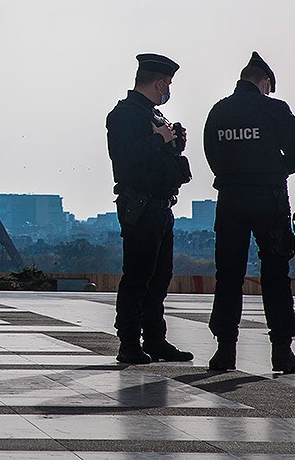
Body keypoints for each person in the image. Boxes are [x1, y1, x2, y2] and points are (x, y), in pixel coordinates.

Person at [204, 52, 295, 374]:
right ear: (264, 81)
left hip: (230, 199)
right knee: (276, 274)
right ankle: (282, 351)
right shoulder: (272, 108)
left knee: (228, 275)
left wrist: (236, 176)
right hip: (269, 199)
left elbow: (212, 153)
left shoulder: (219, 110)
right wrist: (274, 172)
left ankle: (224, 351)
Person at [106, 53, 194, 365]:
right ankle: (129, 342)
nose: (169, 89)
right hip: (141, 207)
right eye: (168, 83)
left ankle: (155, 339)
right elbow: (124, 157)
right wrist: (158, 139)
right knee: (138, 278)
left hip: (162, 206)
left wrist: (174, 142)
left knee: (159, 278)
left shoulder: (154, 116)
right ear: (158, 82)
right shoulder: (125, 115)